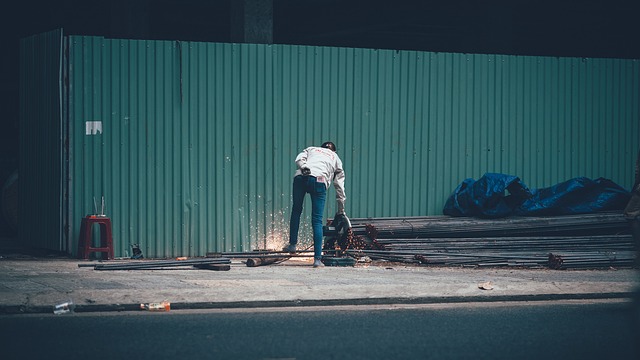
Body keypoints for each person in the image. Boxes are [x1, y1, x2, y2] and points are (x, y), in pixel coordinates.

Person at [284, 141, 346, 267]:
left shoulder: (311, 149)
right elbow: (339, 187)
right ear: (333, 151)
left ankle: (292, 245)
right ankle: (317, 259)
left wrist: (304, 167)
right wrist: (341, 211)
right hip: (319, 180)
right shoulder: (336, 158)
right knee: (317, 220)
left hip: (301, 176)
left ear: (321, 148)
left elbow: (299, 158)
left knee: (296, 210)